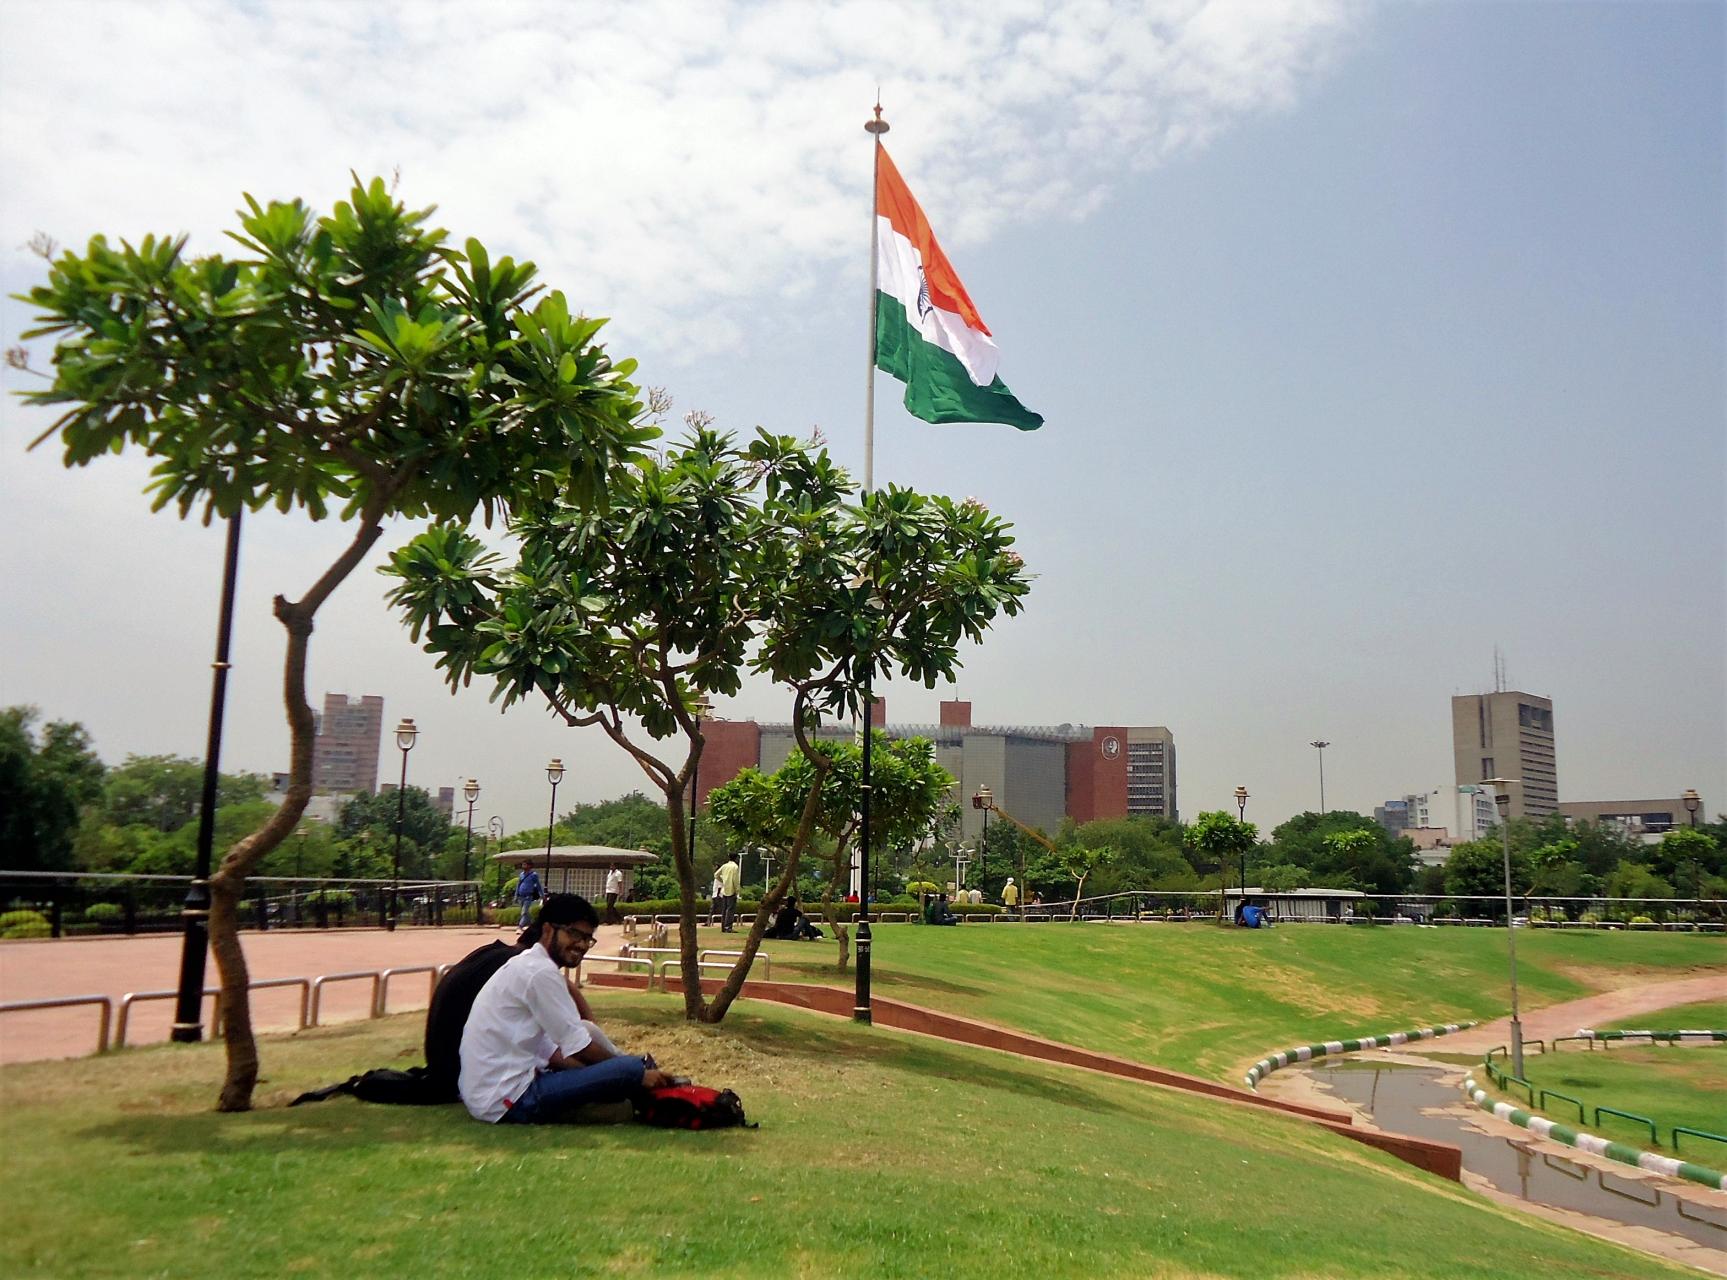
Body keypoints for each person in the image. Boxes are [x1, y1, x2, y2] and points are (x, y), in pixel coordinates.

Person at [460, 894, 671, 1124]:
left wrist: (607, 1075)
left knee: (608, 1056)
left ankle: (633, 1090)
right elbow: (579, 1047)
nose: (581, 944)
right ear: (547, 930)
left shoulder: (527, 964)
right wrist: (631, 1074)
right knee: (628, 1069)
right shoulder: (540, 973)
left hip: (488, 1093)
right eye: (574, 934)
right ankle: (643, 1090)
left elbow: (555, 1051)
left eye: (588, 938)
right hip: (509, 1098)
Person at [715, 852, 741, 933]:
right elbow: (736, 880)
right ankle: (728, 927)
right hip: (731, 890)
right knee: (730, 910)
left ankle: (723, 927)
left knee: (724, 909)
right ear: (736, 858)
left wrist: (723, 881)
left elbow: (716, 875)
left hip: (724, 890)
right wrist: (737, 891)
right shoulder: (735, 867)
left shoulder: (724, 866)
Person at [513, 860, 543, 930]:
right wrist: (516, 895)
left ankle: (520, 926)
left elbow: (538, 885)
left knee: (524, 912)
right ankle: (532, 924)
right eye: (523, 864)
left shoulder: (533, 875)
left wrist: (542, 895)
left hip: (528, 896)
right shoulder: (521, 874)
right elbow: (518, 885)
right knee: (525, 913)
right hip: (521, 896)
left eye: (525, 865)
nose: (523, 866)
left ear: (529, 866)